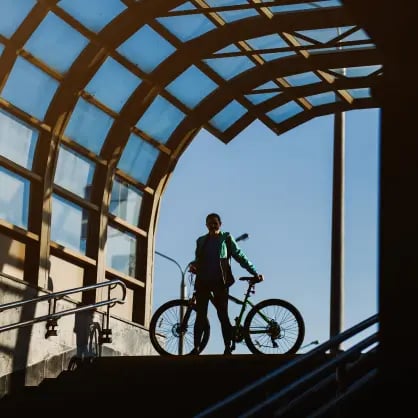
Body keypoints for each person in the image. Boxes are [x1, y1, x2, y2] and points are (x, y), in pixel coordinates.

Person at [189, 213, 264, 355]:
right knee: (200, 315)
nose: (212, 225)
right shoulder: (201, 241)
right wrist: (194, 266)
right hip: (203, 281)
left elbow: (240, 256)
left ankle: (227, 347)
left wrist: (254, 272)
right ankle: (196, 348)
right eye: (210, 223)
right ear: (206, 225)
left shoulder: (227, 238)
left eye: (215, 223)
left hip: (220, 282)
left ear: (220, 224)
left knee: (222, 314)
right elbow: (198, 259)